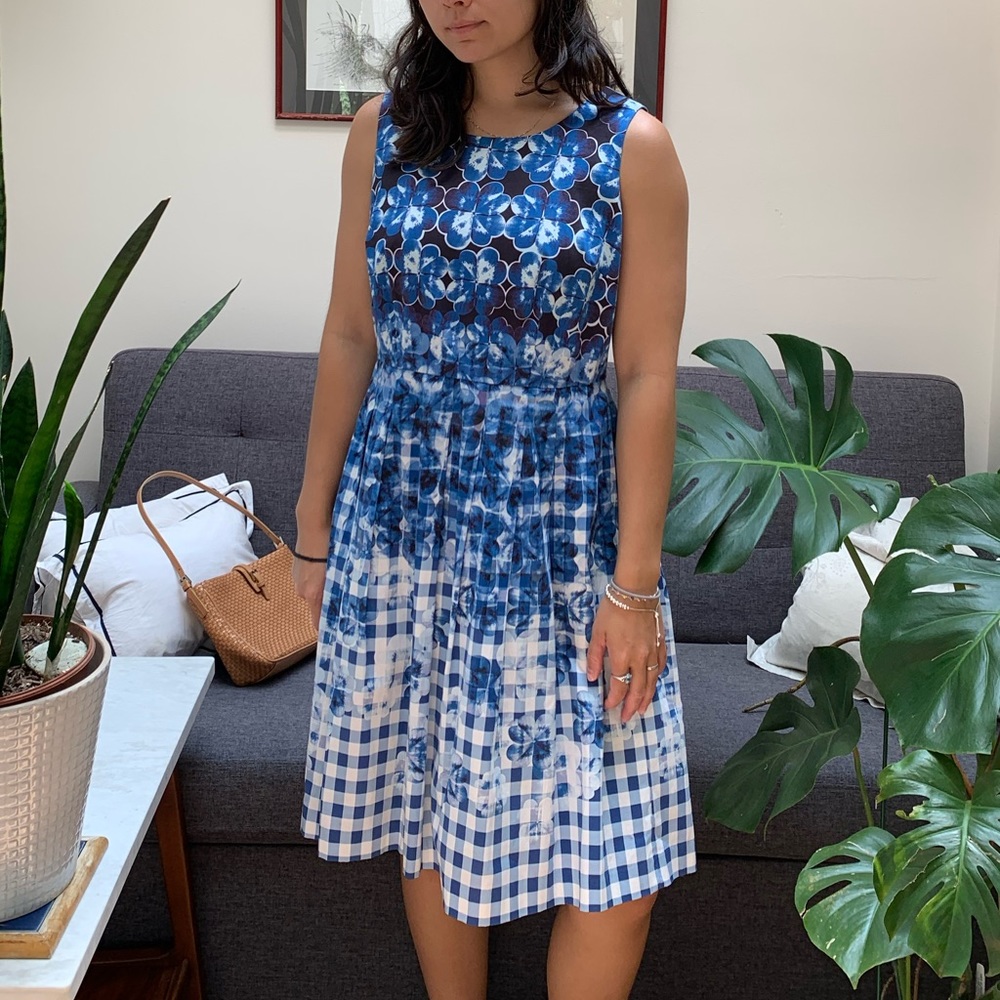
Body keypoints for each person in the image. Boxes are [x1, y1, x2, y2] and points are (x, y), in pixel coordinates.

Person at [292, 0, 693, 993]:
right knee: (430, 805)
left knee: (620, 854)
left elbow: (645, 371)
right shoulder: (380, 131)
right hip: (402, 511)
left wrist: (634, 586)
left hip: (559, 524)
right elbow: (350, 331)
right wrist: (310, 531)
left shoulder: (630, 148)